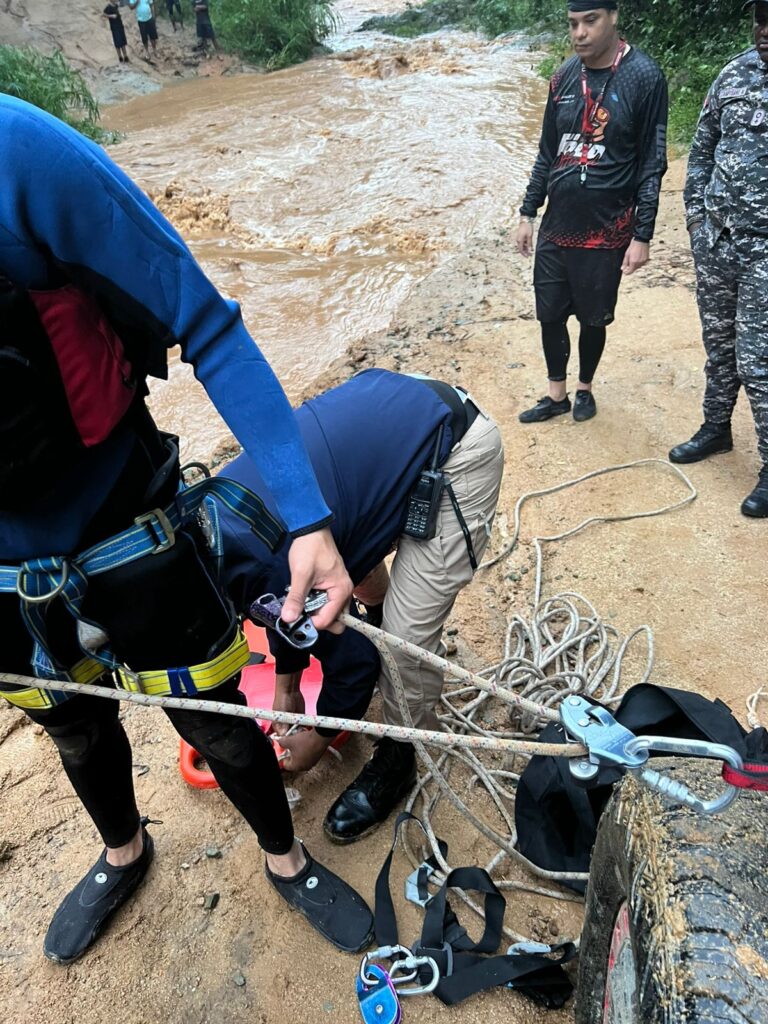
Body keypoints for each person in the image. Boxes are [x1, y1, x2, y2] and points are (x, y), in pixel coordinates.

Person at [0, 95, 371, 965]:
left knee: (207, 715)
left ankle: (285, 859)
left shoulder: (21, 156)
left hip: (125, 526)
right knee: (72, 724)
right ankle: (123, 851)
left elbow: (205, 320)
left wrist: (307, 517)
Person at [220, 368, 505, 841]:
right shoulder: (210, 524)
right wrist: (286, 686)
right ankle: (382, 621)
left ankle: (399, 756)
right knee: (347, 556)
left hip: (456, 451)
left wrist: (316, 740)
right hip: (397, 415)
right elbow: (273, 602)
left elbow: (350, 666)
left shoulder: (261, 560)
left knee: (402, 645)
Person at [516, 0, 668, 424]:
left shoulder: (644, 76)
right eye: (572, 24)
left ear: (613, 18)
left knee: (593, 317)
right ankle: (556, 394)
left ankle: (584, 388)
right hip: (557, 223)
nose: (579, 33)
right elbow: (547, 150)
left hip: (607, 228)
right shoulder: (563, 75)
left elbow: (653, 163)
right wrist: (528, 213)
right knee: (549, 314)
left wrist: (642, 235)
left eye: (590, 21)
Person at [668, 1, 768, 517]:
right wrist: (695, 219)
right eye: (759, 20)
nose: (764, 32)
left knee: (759, 357)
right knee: (719, 343)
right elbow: (703, 147)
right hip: (719, 241)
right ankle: (716, 429)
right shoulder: (734, 72)